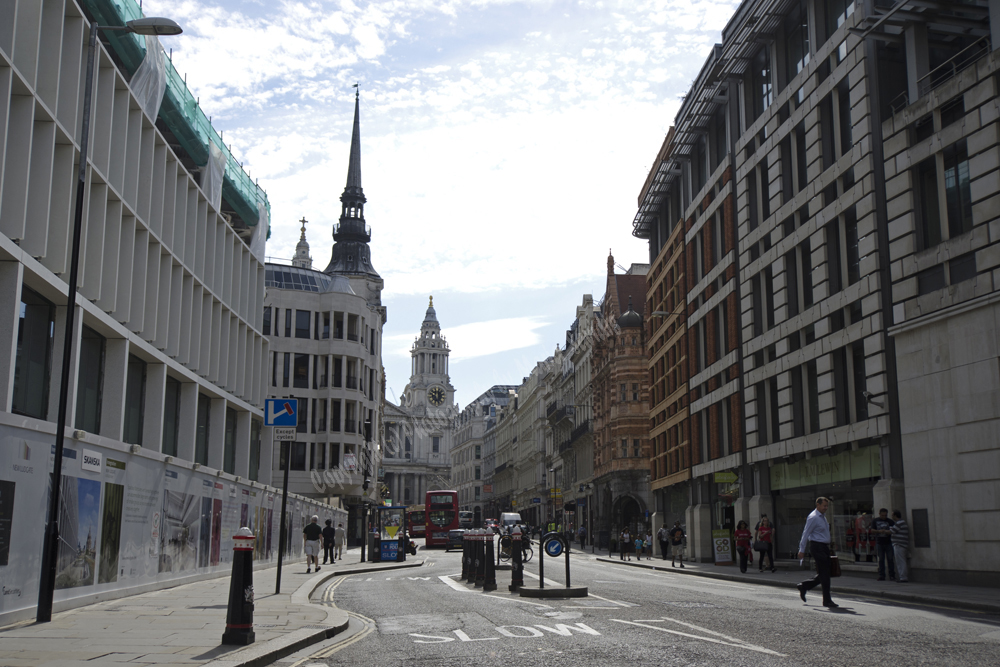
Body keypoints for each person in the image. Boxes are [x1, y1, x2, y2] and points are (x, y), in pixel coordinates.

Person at [797, 497, 838, 608]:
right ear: (818, 505)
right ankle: (827, 600)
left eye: (827, 506)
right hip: (817, 546)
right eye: (824, 506)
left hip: (824, 547)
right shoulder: (813, 517)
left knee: (825, 573)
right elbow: (805, 534)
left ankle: (804, 586)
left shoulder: (822, 517)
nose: (826, 508)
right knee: (825, 574)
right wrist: (801, 550)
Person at [872, 508, 896, 581]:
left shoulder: (890, 521)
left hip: (889, 542)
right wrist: (879, 531)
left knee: (890, 559)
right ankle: (882, 575)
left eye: (885, 515)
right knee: (881, 559)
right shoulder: (875, 521)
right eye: (882, 515)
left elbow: (894, 531)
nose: (884, 517)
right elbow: (872, 530)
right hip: (879, 542)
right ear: (879, 514)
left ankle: (892, 575)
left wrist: (887, 531)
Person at [890, 510, 909, 583]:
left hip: (899, 544)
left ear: (895, 515)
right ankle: (902, 577)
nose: (892, 517)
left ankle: (903, 577)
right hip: (901, 544)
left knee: (900, 561)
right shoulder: (901, 523)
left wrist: (883, 531)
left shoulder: (899, 523)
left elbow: (891, 531)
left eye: (892, 515)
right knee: (901, 561)